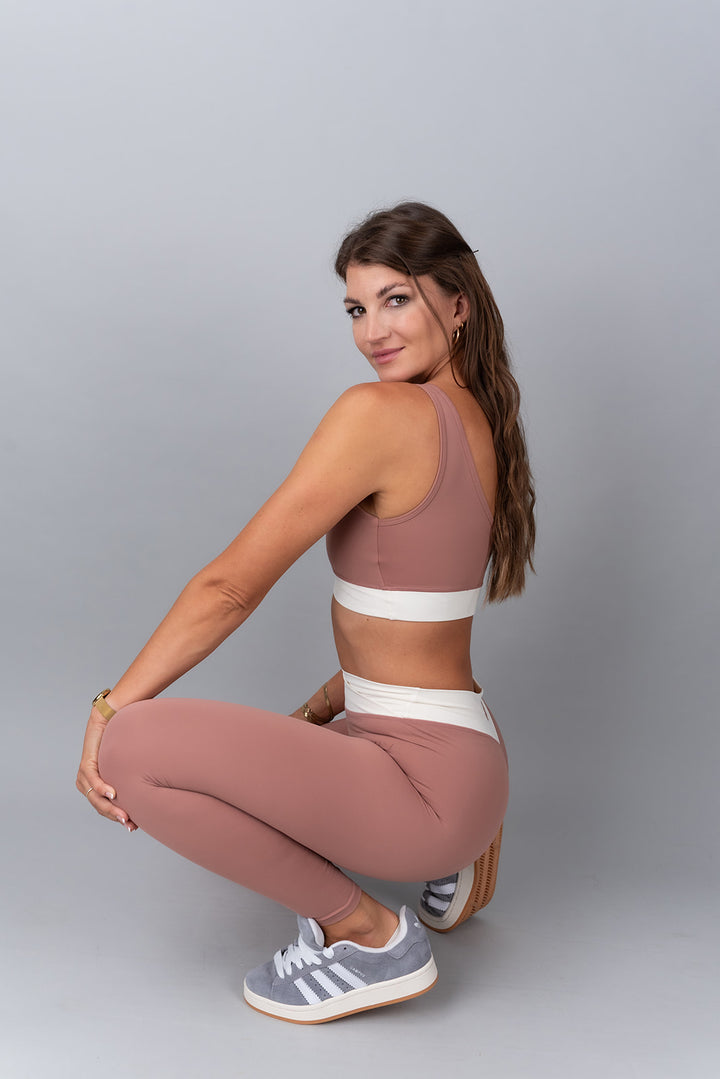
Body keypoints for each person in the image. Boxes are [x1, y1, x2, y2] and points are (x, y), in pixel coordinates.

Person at [76, 201, 535, 1025]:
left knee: (133, 751)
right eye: (357, 309)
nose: (372, 332)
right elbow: (410, 618)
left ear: (458, 302)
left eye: (397, 299)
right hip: (465, 747)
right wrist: (322, 710)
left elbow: (230, 587)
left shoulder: (383, 414)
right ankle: (462, 842)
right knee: (259, 768)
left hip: (423, 779)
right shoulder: (480, 417)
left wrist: (108, 707)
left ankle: (369, 935)